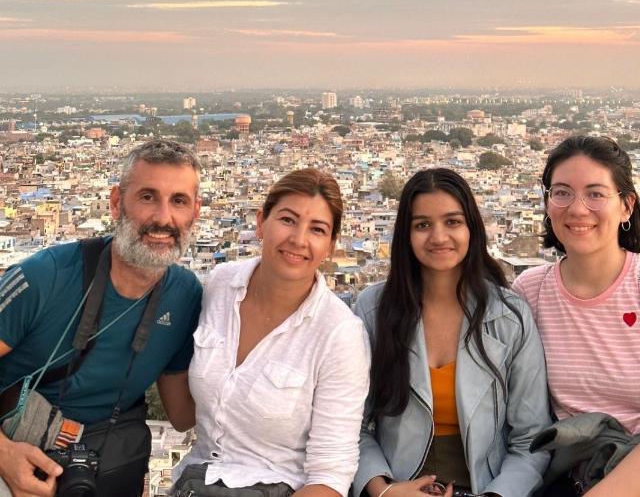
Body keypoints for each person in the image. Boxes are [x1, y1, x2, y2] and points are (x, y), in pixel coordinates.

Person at [0, 138, 203, 497]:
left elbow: (181, 415)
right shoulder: (45, 277)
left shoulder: (185, 296)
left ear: (195, 213)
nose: (162, 218)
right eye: (147, 197)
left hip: (102, 464)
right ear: (115, 203)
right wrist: (4, 457)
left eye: (179, 201)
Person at [172, 168, 370, 497]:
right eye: (288, 220)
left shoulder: (338, 334)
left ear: (331, 246)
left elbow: (330, 475)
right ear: (261, 222)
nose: (298, 239)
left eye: (317, 229)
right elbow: (181, 410)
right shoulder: (220, 284)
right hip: (196, 481)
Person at [353, 168, 550, 497]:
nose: (439, 237)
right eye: (422, 225)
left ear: (472, 228)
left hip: (488, 488)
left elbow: (531, 438)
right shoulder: (375, 310)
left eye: (452, 222)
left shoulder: (509, 317)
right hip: (396, 485)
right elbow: (349, 424)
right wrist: (383, 489)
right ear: (406, 234)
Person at [513, 135, 640, 496]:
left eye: (596, 194)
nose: (577, 209)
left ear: (627, 206)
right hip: (564, 474)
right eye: (562, 192)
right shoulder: (531, 291)